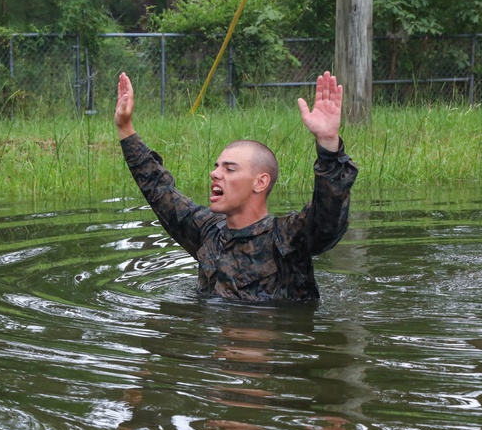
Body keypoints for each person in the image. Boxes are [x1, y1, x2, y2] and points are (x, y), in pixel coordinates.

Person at [114, 70, 358, 302]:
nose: (214, 174)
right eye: (217, 166)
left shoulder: (286, 238)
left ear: (260, 182)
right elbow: (160, 191)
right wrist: (126, 129)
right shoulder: (207, 231)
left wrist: (328, 146)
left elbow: (328, 218)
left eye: (229, 169)